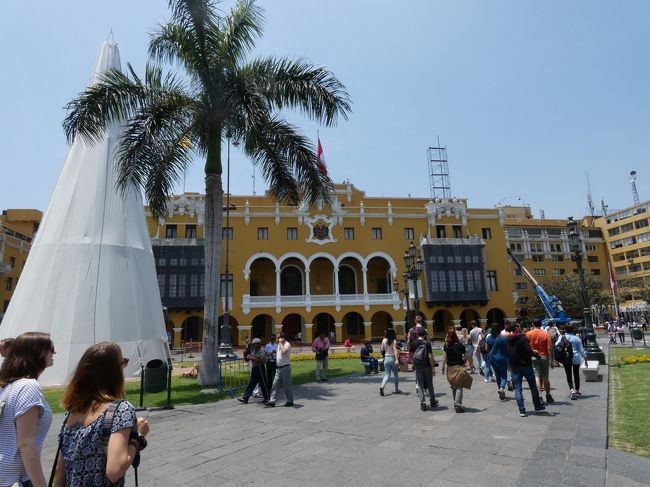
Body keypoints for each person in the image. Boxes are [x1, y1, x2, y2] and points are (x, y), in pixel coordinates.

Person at [51, 342, 149, 487]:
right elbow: (114, 471)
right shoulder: (120, 409)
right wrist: (138, 437)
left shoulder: (72, 412)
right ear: (114, 372)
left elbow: (60, 470)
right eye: (124, 362)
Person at [0, 332, 55, 487]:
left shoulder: (7, 386)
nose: (54, 352)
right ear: (37, 352)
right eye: (51, 348)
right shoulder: (28, 386)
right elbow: (26, 443)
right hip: (16, 479)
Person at [505, 323, 545, 417]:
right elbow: (528, 350)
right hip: (526, 365)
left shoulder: (507, 339)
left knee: (518, 388)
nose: (520, 327)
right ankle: (537, 406)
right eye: (518, 326)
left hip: (514, 366)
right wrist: (534, 353)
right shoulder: (523, 338)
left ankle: (522, 410)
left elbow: (506, 352)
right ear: (516, 328)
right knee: (533, 386)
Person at [441, 329, 471, 413]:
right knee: (459, 386)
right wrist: (470, 364)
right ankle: (457, 404)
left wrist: (442, 368)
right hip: (459, 368)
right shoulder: (460, 346)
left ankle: (456, 403)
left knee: (454, 386)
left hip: (450, 369)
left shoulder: (446, 346)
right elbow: (467, 356)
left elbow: (444, 358)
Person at [526, 319, 554, 403]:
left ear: (533, 324)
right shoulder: (546, 334)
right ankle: (548, 395)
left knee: (537, 376)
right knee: (545, 376)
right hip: (544, 356)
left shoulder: (528, 334)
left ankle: (539, 395)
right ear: (541, 324)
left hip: (534, 357)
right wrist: (552, 360)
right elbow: (549, 348)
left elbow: (526, 347)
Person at [410, 327, 437, 411]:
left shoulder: (414, 343)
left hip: (418, 366)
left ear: (417, 334)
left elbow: (411, 354)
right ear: (424, 335)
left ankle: (423, 403)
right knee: (430, 384)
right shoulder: (427, 343)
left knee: (420, 385)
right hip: (427, 366)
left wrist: (414, 362)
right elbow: (430, 356)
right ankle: (432, 401)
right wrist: (433, 368)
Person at [556, 324, 586, 400]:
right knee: (576, 374)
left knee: (568, 374)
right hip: (576, 357)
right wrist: (585, 359)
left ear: (565, 330)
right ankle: (577, 389)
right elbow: (581, 350)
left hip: (566, 357)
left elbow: (556, 345)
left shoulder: (561, 337)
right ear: (572, 330)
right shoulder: (576, 338)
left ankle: (571, 389)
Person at [265, 333, 294, 407]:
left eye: (278, 338)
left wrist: (280, 343)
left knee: (287, 385)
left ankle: (290, 401)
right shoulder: (279, 345)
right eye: (277, 338)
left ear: (283, 338)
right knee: (275, 384)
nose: (277, 339)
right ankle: (272, 401)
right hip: (278, 368)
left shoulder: (287, 344)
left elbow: (284, 352)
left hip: (285, 367)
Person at [238, 338, 269, 403]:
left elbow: (262, 360)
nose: (254, 346)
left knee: (263, 383)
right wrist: (247, 354)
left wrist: (251, 358)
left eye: (255, 344)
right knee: (251, 383)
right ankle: (245, 398)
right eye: (253, 344)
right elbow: (248, 357)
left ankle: (267, 398)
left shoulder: (262, 350)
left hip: (260, 368)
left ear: (258, 344)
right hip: (255, 368)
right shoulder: (254, 350)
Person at [487, 324, 508, 401]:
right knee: (504, 376)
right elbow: (506, 348)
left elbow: (486, 348)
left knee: (498, 375)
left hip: (493, 359)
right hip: (502, 358)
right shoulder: (503, 338)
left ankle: (500, 389)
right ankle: (502, 388)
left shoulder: (489, 338)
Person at [380, 328, 401, 396]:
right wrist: (397, 359)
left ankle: (382, 386)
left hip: (386, 358)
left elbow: (382, 349)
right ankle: (396, 389)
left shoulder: (384, 340)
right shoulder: (393, 340)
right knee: (396, 375)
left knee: (387, 375)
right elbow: (395, 350)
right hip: (392, 358)